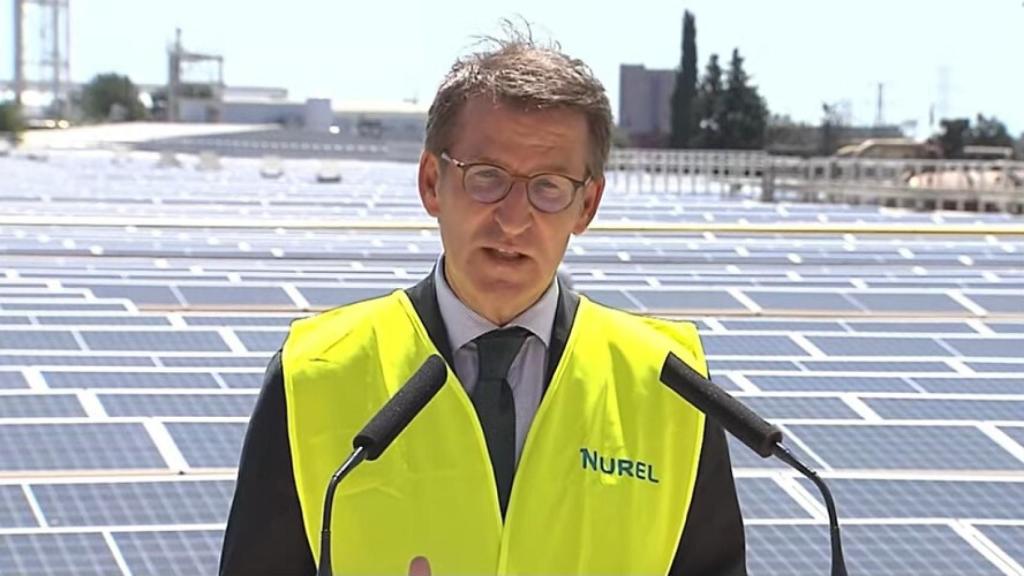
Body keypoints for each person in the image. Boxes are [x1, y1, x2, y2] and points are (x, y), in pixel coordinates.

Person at [220, 26, 746, 576]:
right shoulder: (315, 374)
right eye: (487, 178)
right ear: (431, 182)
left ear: (587, 205)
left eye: (548, 186)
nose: (514, 219)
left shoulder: (668, 385)